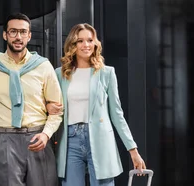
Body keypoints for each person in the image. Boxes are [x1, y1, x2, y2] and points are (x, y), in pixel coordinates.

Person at [46, 23, 147, 186]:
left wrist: (133, 150)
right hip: (70, 140)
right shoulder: (59, 74)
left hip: (100, 138)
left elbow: (117, 114)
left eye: (90, 40)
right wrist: (47, 107)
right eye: (80, 41)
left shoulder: (106, 73)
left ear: (95, 43)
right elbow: (50, 104)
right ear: (72, 44)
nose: (86, 45)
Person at [0, 13, 63, 186]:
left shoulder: (43, 66)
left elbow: (57, 109)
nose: (18, 37)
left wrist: (46, 134)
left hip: (38, 136)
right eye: (13, 32)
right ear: (5, 35)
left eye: (22, 32)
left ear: (29, 35)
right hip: (6, 139)